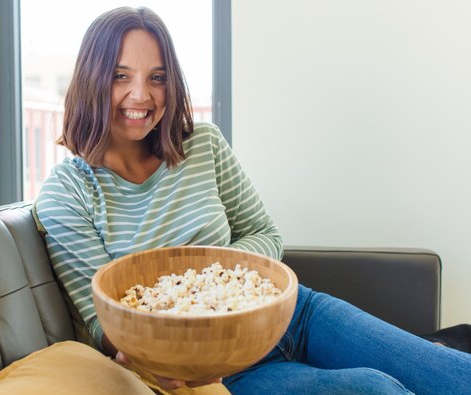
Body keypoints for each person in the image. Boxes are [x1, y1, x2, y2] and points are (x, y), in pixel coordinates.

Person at [35, 6, 471, 394]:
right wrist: (163, 348)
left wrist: (213, 281)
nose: (141, 95)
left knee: (455, 375)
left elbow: (265, 234)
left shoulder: (202, 145)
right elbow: (103, 324)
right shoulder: (67, 193)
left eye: (157, 77)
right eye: (120, 75)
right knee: (376, 389)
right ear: (93, 78)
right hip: (220, 368)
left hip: (295, 312)